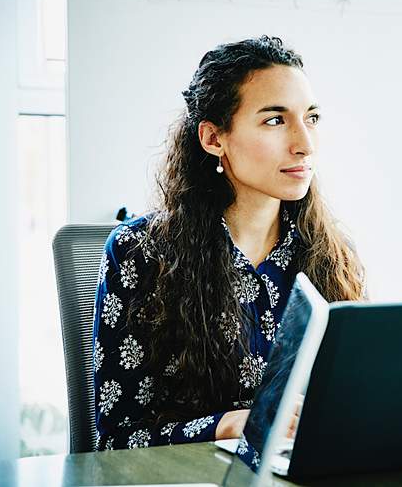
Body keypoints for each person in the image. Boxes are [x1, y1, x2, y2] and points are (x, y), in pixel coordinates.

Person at [92, 36, 366, 451]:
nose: (305, 144)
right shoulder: (140, 251)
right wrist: (225, 426)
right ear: (213, 139)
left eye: (311, 118)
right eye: (275, 120)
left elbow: (358, 400)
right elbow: (118, 439)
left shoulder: (331, 251)